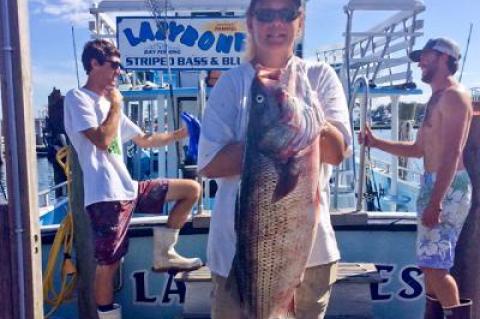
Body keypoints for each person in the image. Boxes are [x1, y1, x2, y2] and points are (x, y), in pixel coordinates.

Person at [197, 0, 352, 317]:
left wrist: (305, 123)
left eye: (287, 14)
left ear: (301, 22)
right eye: (266, 14)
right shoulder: (229, 84)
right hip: (236, 256)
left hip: (313, 255)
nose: (276, 23)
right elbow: (209, 163)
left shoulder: (321, 76)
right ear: (250, 23)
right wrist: (272, 140)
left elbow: (337, 152)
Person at [64, 39, 202, 319]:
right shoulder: (78, 99)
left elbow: (145, 140)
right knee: (108, 264)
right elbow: (102, 139)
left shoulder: (108, 104)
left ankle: (165, 253)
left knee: (191, 190)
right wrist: (116, 105)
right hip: (106, 196)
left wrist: (179, 134)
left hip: (128, 188)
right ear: (94, 63)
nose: (119, 72)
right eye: (114, 65)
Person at [359, 37, 473, 319]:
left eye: (426, 56)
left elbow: (452, 152)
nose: (420, 62)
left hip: (447, 188)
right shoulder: (435, 98)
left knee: (436, 266)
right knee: (428, 266)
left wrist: (436, 201)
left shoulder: (455, 96)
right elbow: (418, 149)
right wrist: (375, 142)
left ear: (445, 58)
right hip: (432, 185)